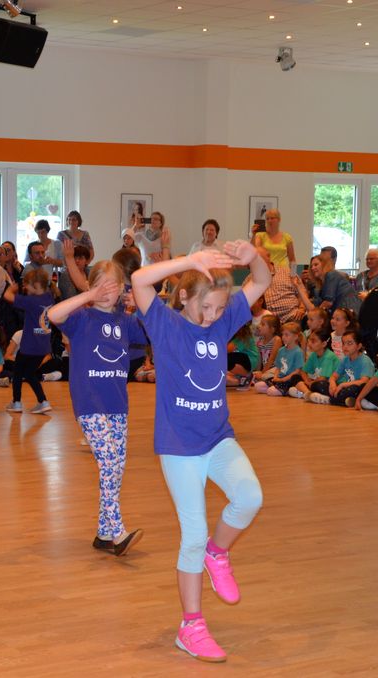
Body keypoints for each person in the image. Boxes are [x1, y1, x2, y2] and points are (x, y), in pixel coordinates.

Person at [131, 241, 269, 663]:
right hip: (179, 446)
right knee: (192, 534)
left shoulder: (221, 322)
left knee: (250, 497)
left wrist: (253, 256)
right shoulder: (165, 324)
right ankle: (190, 626)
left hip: (218, 437)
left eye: (219, 308)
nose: (212, 316)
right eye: (205, 307)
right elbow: (139, 279)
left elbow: (262, 280)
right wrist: (190, 261)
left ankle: (218, 551)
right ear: (185, 296)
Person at [48, 260, 146, 556]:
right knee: (108, 462)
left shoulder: (126, 321)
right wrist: (88, 296)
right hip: (89, 403)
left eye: (111, 286)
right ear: (91, 287)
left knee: (117, 466)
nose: (105, 292)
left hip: (118, 404)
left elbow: (153, 332)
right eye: (99, 286)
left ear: (121, 289)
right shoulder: (82, 317)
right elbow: (54, 314)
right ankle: (117, 531)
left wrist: (139, 302)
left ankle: (103, 533)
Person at [3, 269, 54, 414]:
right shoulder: (49, 298)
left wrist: (11, 289)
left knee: (18, 373)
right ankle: (43, 401)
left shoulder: (32, 301)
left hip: (29, 347)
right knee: (30, 373)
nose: (24, 287)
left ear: (36, 285)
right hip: (43, 347)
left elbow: (7, 296)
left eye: (27, 285)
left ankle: (16, 402)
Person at [306, 329, 374, 406]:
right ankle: (343, 400)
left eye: (349, 343)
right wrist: (332, 383)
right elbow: (334, 376)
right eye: (343, 343)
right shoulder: (345, 359)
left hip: (359, 390)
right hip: (344, 389)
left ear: (359, 346)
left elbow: (364, 381)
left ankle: (329, 399)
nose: (345, 347)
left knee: (353, 389)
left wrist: (343, 385)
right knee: (319, 384)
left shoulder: (365, 361)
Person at [254, 321, 304, 397]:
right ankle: (281, 389)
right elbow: (278, 367)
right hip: (280, 378)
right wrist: (275, 377)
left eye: (286, 335)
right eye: (282, 334)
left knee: (271, 391)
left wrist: (283, 379)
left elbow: (297, 371)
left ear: (295, 337)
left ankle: (291, 391)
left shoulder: (298, 351)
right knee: (258, 386)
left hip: (289, 380)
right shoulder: (281, 350)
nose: (283, 337)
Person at [287, 327, 339, 399]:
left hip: (330, 385)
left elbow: (323, 378)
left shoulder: (329, 356)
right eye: (309, 340)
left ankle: (304, 392)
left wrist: (311, 383)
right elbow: (303, 371)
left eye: (313, 341)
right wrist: (307, 381)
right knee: (295, 377)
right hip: (315, 383)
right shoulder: (314, 354)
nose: (309, 344)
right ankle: (309, 393)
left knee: (320, 385)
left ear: (324, 344)